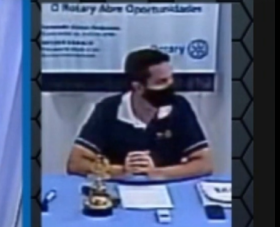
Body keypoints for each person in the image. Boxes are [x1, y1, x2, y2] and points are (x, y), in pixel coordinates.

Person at [67, 48, 213, 180]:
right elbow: (76, 163)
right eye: (161, 82)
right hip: (117, 188)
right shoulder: (109, 109)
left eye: (171, 79)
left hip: (165, 187)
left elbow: (205, 163)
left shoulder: (179, 106)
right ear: (138, 87)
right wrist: (121, 171)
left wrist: (157, 173)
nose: (170, 85)